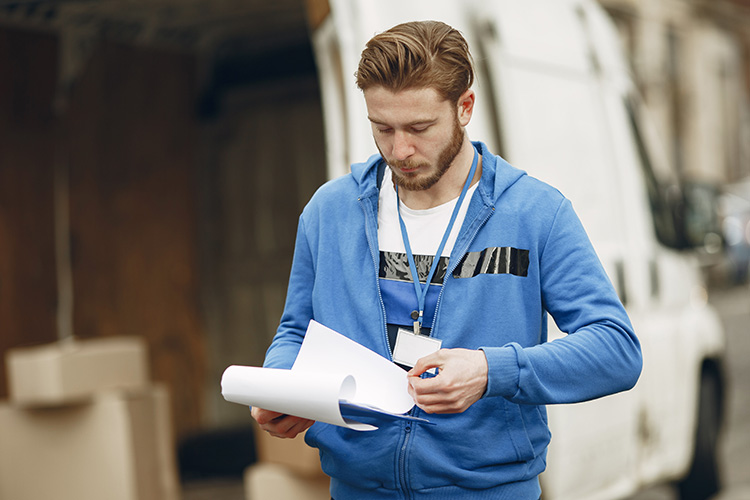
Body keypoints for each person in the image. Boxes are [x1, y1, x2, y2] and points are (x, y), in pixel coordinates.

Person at [251, 20, 642, 500]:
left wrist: (489, 371)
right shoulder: (329, 212)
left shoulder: (536, 212)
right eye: (383, 128)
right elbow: (295, 330)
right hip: (357, 489)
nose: (400, 150)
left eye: (419, 128)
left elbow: (616, 350)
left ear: (465, 107)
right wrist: (283, 386)